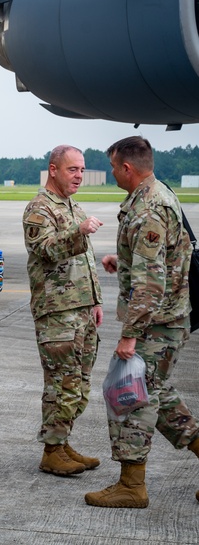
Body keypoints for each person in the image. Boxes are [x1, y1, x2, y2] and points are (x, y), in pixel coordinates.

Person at [85, 136, 198, 509]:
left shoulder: (149, 208)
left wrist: (130, 336)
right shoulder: (156, 195)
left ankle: (132, 486)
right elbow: (161, 261)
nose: (114, 173)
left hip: (156, 324)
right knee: (159, 395)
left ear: (127, 168)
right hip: (166, 317)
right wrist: (125, 264)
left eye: (115, 167)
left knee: (132, 399)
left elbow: (151, 283)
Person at [23, 146, 104, 476]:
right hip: (58, 312)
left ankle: (63, 442)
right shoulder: (39, 209)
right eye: (73, 170)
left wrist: (95, 300)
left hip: (81, 309)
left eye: (82, 170)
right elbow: (44, 250)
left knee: (80, 384)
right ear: (53, 170)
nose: (79, 176)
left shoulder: (72, 207)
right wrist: (78, 231)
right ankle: (52, 451)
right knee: (62, 384)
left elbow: (86, 260)